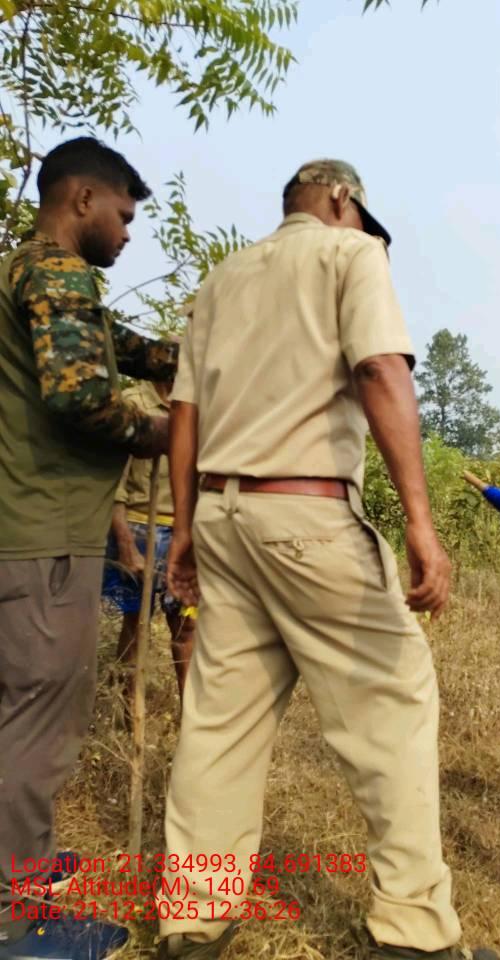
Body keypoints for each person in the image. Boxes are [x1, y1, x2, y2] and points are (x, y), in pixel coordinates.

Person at [159, 160, 500, 960]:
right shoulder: (352, 254)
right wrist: (420, 522)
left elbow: (185, 410)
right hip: (305, 513)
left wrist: (184, 527)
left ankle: (194, 919)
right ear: (343, 201)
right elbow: (380, 368)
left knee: (220, 723)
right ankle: (414, 932)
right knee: (394, 700)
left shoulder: (222, 278)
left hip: (223, 514)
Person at [0, 137, 177, 959]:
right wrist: (163, 433)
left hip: (23, 531)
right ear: (82, 201)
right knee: (38, 726)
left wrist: (199, 358)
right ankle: (15, 921)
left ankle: (24, 863)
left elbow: (127, 349)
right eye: (124, 215)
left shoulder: (25, 272)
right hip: (46, 535)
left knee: (16, 712)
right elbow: (81, 398)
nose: (128, 233)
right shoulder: (58, 272)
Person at [103, 377, 195, 712]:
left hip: (185, 530)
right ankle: (131, 715)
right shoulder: (132, 403)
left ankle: (191, 719)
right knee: (136, 623)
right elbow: (113, 483)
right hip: (140, 528)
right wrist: (126, 544)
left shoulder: (201, 404)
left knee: (187, 626)